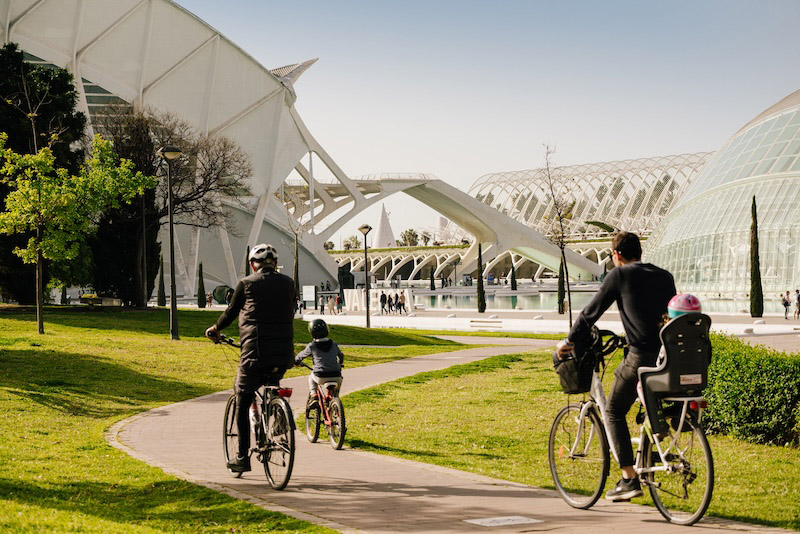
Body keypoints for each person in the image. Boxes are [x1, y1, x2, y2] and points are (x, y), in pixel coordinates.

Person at [556, 231, 676, 502]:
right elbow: (659, 315)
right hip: (666, 357)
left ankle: (628, 479)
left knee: (612, 411)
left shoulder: (619, 275)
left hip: (641, 357)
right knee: (644, 402)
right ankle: (650, 449)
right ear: (639, 252)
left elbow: (590, 313)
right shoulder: (664, 276)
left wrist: (569, 341)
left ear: (617, 254)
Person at [205, 243, 295, 473]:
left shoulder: (246, 284)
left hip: (255, 353)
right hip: (284, 354)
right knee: (272, 384)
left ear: (252, 265)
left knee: (242, 398)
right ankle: (278, 417)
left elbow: (231, 313)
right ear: (275, 264)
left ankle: (242, 457)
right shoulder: (288, 283)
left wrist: (215, 328)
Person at [295, 319, 344, 400]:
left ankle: (313, 394)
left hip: (320, 376)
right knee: (338, 382)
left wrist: (296, 362)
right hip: (336, 375)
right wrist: (340, 363)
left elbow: (300, 356)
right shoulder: (333, 344)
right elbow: (341, 355)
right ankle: (335, 397)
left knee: (311, 377)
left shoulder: (312, 346)